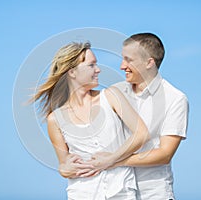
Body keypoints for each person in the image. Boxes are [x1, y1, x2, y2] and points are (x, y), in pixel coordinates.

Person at [75, 33, 189, 200]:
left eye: (129, 60)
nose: (122, 66)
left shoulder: (175, 99)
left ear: (149, 62)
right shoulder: (115, 92)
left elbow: (165, 154)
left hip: (154, 194)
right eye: (123, 59)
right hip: (116, 193)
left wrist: (115, 161)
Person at [31, 42, 149, 200]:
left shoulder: (111, 96)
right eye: (91, 65)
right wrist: (64, 168)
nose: (98, 69)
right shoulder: (55, 119)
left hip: (122, 192)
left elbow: (141, 134)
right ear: (72, 72)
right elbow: (64, 164)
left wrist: (111, 159)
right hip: (82, 194)